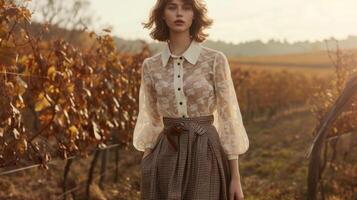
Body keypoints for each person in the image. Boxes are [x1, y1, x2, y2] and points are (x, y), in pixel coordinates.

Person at [132, 0, 249, 199]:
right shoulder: (150, 66)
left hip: (205, 152)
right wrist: (147, 165)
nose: (179, 13)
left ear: (194, 15)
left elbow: (228, 118)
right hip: (166, 152)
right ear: (162, 14)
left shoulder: (214, 60)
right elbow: (151, 119)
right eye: (172, 7)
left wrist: (235, 177)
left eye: (186, 8)